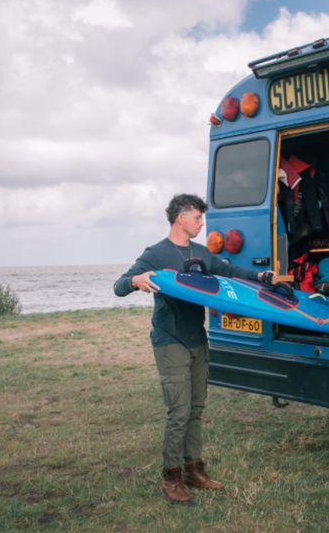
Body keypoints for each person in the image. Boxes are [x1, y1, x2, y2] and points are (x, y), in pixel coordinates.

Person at [114, 194, 271, 503]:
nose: (202, 224)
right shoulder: (156, 253)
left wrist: (260, 277)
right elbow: (119, 286)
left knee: (196, 409)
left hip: (197, 338)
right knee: (179, 411)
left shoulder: (201, 253)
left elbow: (230, 272)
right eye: (198, 218)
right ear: (180, 218)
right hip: (169, 339)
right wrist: (136, 279)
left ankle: (193, 470)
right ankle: (171, 477)